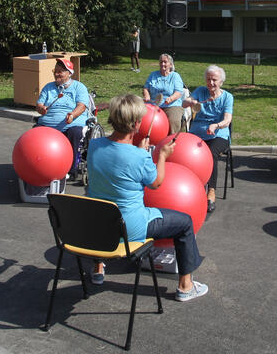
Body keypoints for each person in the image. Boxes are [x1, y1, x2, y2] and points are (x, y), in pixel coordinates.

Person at [87, 94, 208, 302]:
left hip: (98, 226)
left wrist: (138, 153)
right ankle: (185, 286)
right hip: (130, 227)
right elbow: (156, 182)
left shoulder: (94, 147)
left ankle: (98, 267)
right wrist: (161, 155)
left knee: (101, 202)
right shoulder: (139, 157)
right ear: (136, 124)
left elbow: (117, 160)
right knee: (185, 223)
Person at [183, 65, 233, 213]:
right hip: (197, 132)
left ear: (221, 82)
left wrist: (216, 125)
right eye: (208, 79)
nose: (211, 83)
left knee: (210, 154)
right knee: (185, 153)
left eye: (214, 80)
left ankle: (211, 192)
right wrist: (190, 102)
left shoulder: (227, 97)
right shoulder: (200, 91)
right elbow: (184, 103)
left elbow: (227, 120)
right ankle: (190, 188)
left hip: (218, 134)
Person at [35, 58, 90, 177]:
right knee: (35, 134)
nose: (56, 74)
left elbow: (81, 106)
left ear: (69, 73)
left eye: (60, 71)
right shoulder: (48, 87)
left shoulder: (79, 87)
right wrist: (41, 109)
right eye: (55, 71)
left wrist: (73, 114)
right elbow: (39, 105)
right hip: (48, 123)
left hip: (71, 123)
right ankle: (38, 166)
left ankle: (71, 169)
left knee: (75, 132)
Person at [143, 53, 185, 134]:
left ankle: (172, 141)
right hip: (153, 105)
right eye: (161, 62)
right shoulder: (153, 75)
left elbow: (179, 92)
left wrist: (171, 98)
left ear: (170, 64)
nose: (162, 64)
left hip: (171, 105)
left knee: (173, 121)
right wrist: (147, 95)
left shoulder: (175, 76)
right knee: (143, 120)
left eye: (165, 62)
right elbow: (146, 88)